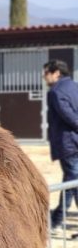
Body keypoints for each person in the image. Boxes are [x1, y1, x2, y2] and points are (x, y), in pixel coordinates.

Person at [44, 59, 78, 234]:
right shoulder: (74, 86)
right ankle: (56, 219)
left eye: (46, 73)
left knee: (72, 182)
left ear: (56, 73)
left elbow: (69, 117)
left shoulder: (56, 92)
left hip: (68, 144)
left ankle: (56, 220)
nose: (44, 77)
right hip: (74, 143)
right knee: (71, 182)